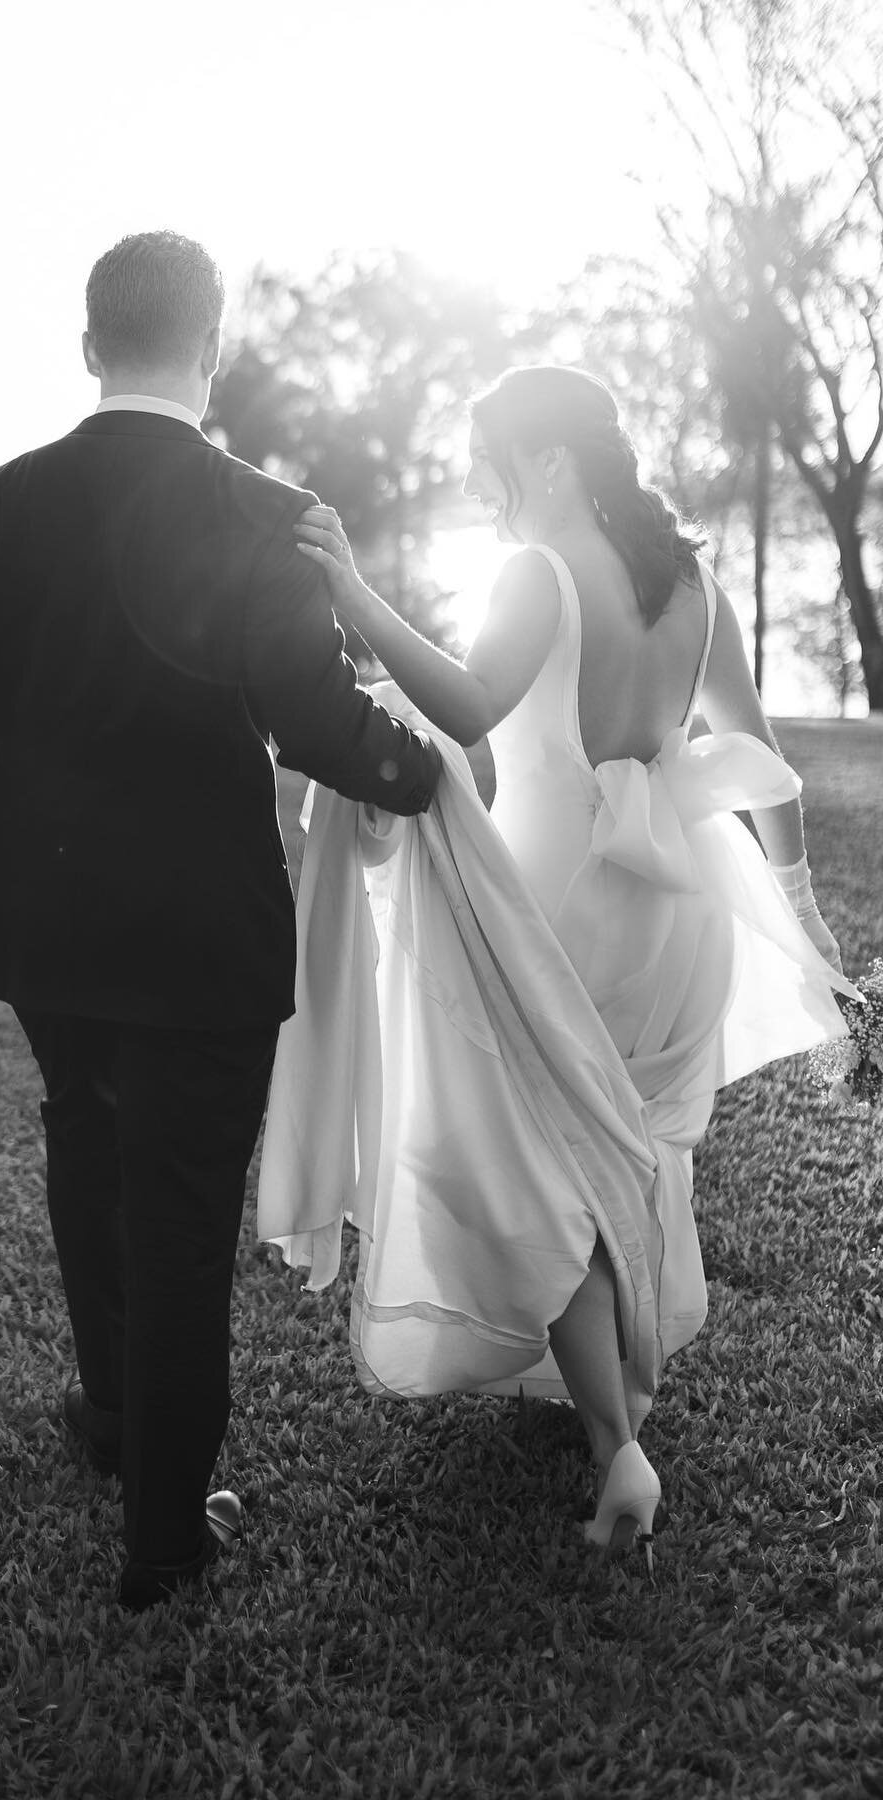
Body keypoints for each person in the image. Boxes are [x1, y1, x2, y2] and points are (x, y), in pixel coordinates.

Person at [0, 230, 442, 1610]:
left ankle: (120, 1426)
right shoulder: (263, 511)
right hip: (201, 938)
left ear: (89, 345)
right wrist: (429, 771)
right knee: (175, 1221)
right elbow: (314, 721)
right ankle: (165, 1536)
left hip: (52, 929)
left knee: (87, 1149)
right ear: (213, 346)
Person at [261, 364, 853, 1566]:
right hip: (676, 911)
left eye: (489, 465)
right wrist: (796, 899)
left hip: (555, 913)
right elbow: (761, 755)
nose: (482, 492)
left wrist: (358, 600)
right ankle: (613, 1397)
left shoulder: (537, 573)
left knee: (546, 1167)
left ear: (549, 462)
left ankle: (615, 1445)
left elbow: (471, 710)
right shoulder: (695, 584)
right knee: (620, 1153)